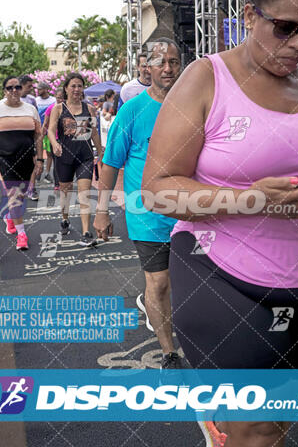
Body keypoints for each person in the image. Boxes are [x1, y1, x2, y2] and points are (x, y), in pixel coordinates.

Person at [142, 0, 298, 446]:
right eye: (284, 27)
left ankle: (221, 428)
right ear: (248, 13)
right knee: (256, 427)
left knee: (280, 420)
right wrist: (253, 199)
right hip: (222, 275)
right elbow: (156, 191)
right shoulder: (205, 78)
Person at [94, 38, 183, 370]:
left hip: (191, 214)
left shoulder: (193, 105)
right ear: (148, 66)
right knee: (158, 282)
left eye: (173, 61)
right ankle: (169, 352)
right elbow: (110, 164)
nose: (168, 68)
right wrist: (101, 211)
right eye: (161, 62)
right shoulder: (131, 110)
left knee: (191, 285)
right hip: (147, 213)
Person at [0, 76, 43, 250]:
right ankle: (22, 235)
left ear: (21, 89)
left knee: (20, 195)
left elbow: (38, 135)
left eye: (17, 87)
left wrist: (40, 159)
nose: (14, 90)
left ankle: (9, 218)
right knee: (14, 196)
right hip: (5, 159)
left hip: (27, 159)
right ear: (4, 91)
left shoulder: (31, 110)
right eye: (10, 87)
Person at [48, 73, 103, 246]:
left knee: (84, 194)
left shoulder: (89, 109)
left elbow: (93, 132)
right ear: (66, 88)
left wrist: (100, 152)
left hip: (85, 156)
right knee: (66, 192)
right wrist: (54, 144)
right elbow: (50, 130)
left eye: (80, 86)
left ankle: (86, 232)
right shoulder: (59, 108)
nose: (77, 89)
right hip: (64, 157)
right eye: (73, 86)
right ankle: (65, 219)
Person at [19, 74, 39, 200]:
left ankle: (31, 189)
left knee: (32, 163)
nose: (31, 88)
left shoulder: (32, 100)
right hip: (15, 138)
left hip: (29, 137)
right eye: (29, 86)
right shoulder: (12, 99)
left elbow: (35, 117)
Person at [43, 87, 64, 189]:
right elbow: (45, 124)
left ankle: (64, 180)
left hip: (66, 138)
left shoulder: (69, 107)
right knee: (57, 161)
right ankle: (57, 183)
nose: (60, 100)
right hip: (54, 138)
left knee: (65, 161)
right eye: (58, 98)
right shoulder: (51, 108)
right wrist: (41, 137)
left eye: (63, 98)